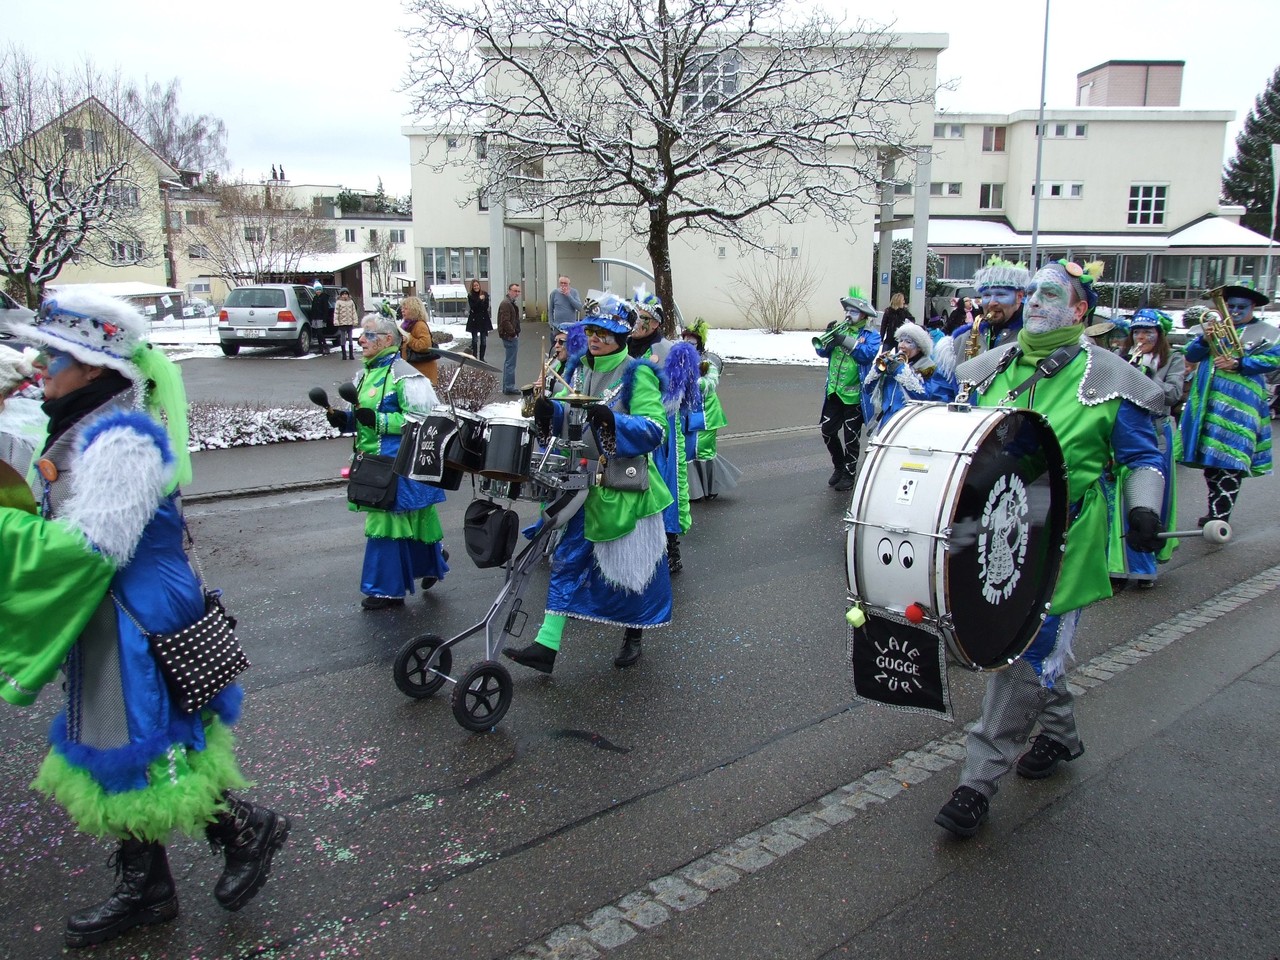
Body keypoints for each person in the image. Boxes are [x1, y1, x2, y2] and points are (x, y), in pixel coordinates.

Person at [0, 291, 290, 948]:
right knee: (127, 742)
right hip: (109, 610)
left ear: (92, 368)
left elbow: (93, 545)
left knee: (148, 741)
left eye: (54, 357)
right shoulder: (75, 426)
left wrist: (9, 535)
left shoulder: (121, 440)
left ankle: (239, 832)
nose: (42, 368)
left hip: (139, 614)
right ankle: (157, 881)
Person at [934, 260, 1166, 839]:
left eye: (1050, 294)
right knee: (1028, 649)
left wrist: (1143, 507)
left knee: (1026, 652)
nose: (1033, 301)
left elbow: (1143, 456)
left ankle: (977, 783)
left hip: (1061, 536)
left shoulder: (1111, 376)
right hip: (988, 530)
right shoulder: (987, 366)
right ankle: (1061, 735)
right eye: (1030, 292)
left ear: (1080, 310)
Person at [504, 301, 674, 673]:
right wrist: (551, 413)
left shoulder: (637, 374)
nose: (594, 339)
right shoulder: (578, 368)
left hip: (624, 487)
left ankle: (634, 634)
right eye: (591, 331)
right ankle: (546, 645)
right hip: (581, 482)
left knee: (632, 569)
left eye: (603, 333)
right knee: (567, 558)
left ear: (620, 336)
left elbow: (655, 429)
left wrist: (614, 422)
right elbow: (573, 416)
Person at [325, 314, 449, 609]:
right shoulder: (364, 375)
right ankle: (432, 558)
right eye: (361, 335)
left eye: (368, 335)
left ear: (387, 339)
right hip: (373, 462)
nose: (360, 340)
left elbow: (424, 420)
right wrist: (346, 420)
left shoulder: (406, 376)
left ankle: (385, 589)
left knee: (388, 521)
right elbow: (364, 415)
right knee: (408, 518)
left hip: (399, 463)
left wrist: (380, 421)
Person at [1179, 285, 1280, 526]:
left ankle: (1220, 514)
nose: (1234, 311)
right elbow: (1190, 355)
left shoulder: (1267, 332)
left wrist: (1239, 364)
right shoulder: (1214, 328)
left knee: (1232, 458)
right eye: (1230, 306)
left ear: (1252, 307)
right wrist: (1205, 339)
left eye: (1241, 307)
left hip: (1242, 404)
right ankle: (1215, 509)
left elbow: (1274, 359)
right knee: (1211, 460)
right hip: (1209, 403)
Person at [1106, 308, 1185, 589]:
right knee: (1116, 502)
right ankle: (1115, 566)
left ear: (1159, 335)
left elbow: (1172, 395)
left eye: (1148, 332)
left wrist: (1148, 373)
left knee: (1146, 503)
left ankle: (1143, 568)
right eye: (1137, 332)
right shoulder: (1119, 357)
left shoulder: (1173, 359)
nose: (1141, 337)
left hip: (1155, 433)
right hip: (1121, 433)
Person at [627, 291, 691, 573]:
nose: (636, 322)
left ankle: (669, 547)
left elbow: (677, 395)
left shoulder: (666, 350)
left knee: (661, 484)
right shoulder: (623, 345)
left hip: (658, 430)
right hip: (627, 425)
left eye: (643, 318)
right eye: (635, 316)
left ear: (655, 323)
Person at [815, 295, 881, 493]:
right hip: (834, 393)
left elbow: (866, 355)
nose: (848, 314)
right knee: (827, 431)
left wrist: (844, 340)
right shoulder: (841, 329)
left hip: (854, 397)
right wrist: (828, 337)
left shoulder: (871, 335)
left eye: (853, 311)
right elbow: (821, 352)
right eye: (847, 311)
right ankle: (839, 466)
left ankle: (849, 475)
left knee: (851, 437)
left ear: (863, 315)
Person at [680, 318, 741, 501]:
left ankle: (710, 487)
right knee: (688, 450)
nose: (688, 345)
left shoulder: (709, 361)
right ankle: (693, 491)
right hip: (687, 414)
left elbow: (711, 382)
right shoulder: (680, 360)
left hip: (706, 414)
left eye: (692, 342)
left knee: (704, 450)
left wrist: (693, 382)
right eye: (685, 341)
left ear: (699, 343)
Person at [862, 321, 937, 435]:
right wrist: (878, 369)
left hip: (910, 422)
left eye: (908, 342)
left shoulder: (928, 367)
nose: (902, 345)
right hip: (888, 420)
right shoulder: (893, 362)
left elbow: (924, 396)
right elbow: (867, 389)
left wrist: (900, 370)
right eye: (901, 340)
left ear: (920, 347)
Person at [399, 295, 440, 386]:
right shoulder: (406, 325)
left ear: (414, 310)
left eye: (406, 308)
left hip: (422, 372)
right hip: (413, 370)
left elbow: (425, 346)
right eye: (402, 308)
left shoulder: (419, 325)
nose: (402, 310)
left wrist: (409, 339)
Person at [497, 282, 522, 395]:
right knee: (510, 363)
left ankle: (507, 386)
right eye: (515, 291)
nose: (517, 293)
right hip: (509, 336)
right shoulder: (506, 304)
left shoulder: (509, 303)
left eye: (518, 291)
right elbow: (505, 321)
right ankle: (509, 386)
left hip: (510, 335)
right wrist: (513, 333)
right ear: (509, 291)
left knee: (509, 362)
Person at [465, 279, 492, 360]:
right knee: (474, 340)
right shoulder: (470, 295)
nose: (476, 287)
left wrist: (481, 302)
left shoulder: (484, 294)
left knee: (483, 341)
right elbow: (473, 307)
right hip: (474, 320)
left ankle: (482, 358)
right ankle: (474, 357)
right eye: (474, 286)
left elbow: (486, 307)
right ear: (472, 287)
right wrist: (480, 300)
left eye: (477, 285)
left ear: (479, 285)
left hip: (483, 319)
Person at [333, 288, 359, 360]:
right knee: (343, 338)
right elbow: (336, 313)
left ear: (348, 295)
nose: (344, 296)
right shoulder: (338, 302)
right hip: (342, 323)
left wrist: (355, 320)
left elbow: (354, 312)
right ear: (341, 295)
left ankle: (351, 354)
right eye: (343, 294)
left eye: (346, 294)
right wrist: (336, 321)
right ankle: (344, 354)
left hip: (349, 323)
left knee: (350, 338)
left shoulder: (351, 302)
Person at [309, 281, 332, 355]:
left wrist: (325, 319)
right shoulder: (315, 298)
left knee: (320, 333)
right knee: (317, 334)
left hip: (321, 318)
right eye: (317, 290)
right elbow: (313, 308)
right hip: (315, 318)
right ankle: (320, 348)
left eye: (319, 290)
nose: (318, 291)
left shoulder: (324, 298)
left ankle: (325, 346)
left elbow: (326, 309)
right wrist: (312, 317)